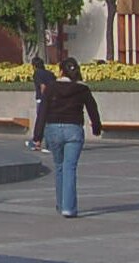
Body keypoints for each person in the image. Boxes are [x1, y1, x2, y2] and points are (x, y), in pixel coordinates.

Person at [33, 55, 102, 218]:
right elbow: (93, 108)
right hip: (74, 130)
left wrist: (37, 135)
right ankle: (69, 208)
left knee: (59, 167)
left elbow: (42, 111)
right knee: (70, 168)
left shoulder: (51, 88)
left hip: (53, 130)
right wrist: (97, 127)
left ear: (61, 71)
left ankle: (61, 204)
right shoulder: (82, 89)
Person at [27, 56, 56, 151]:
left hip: (42, 100)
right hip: (53, 99)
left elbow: (42, 86)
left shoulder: (37, 73)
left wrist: (44, 98)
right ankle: (43, 142)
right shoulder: (50, 74)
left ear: (34, 66)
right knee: (48, 122)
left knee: (41, 121)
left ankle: (37, 142)